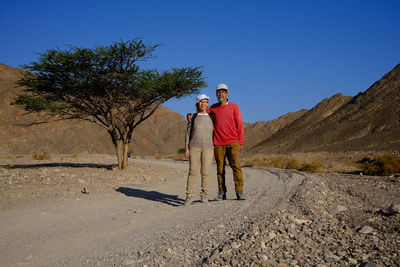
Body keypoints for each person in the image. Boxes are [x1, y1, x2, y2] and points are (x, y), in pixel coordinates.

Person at [187, 83, 245, 201]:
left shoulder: (234, 107)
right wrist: (189, 115)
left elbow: (239, 125)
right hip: (218, 143)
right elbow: (201, 111)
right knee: (220, 169)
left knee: (236, 167)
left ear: (227, 93)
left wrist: (241, 142)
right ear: (216, 94)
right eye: (218, 92)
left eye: (223, 91)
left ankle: (239, 192)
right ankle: (221, 193)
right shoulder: (213, 108)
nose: (221, 94)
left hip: (233, 142)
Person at [184, 94, 214, 205]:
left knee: (205, 172)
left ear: (208, 104)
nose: (203, 104)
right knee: (192, 172)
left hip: (208, 148)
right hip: (194, 147)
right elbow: (187, 134)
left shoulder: (212, 117)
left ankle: (204, 196)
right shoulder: (194, 117)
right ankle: (189, 196)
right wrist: (186, 149)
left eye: (205, 101)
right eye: (201, 102)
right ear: (197, 104)